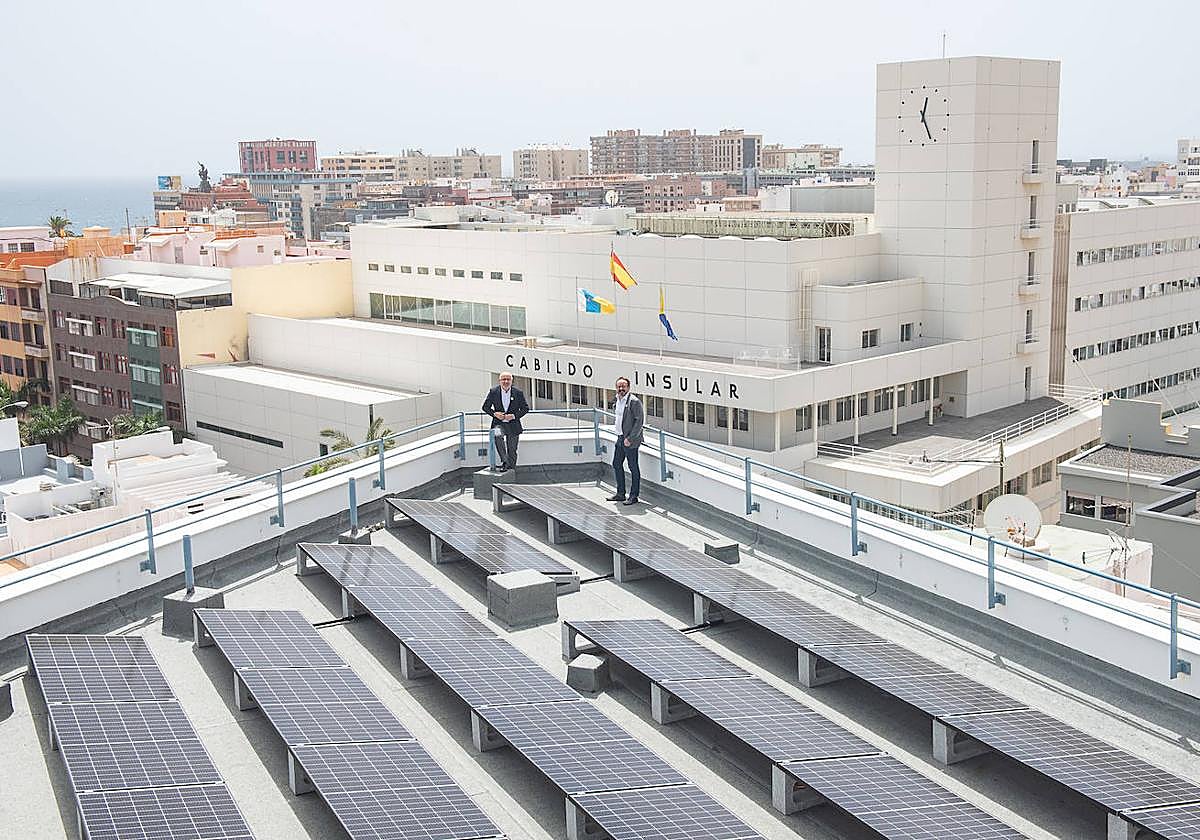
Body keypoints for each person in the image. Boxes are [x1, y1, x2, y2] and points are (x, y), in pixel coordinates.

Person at [607, 376, 644, 505]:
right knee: (616, 464)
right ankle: (620, 493)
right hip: (620, 437)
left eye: (623, 386)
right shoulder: (617, 400)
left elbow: (639, 422)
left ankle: (634, 496)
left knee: (633, 467)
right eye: (619, 386)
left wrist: (630, 438)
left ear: (628, 387)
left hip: (630, 440)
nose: (621, 388)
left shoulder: (634, 401)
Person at [481, 372, 529, 471]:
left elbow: (525, 408)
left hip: (513, 424)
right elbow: (485, 407)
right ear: (499, 381)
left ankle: (511, 469)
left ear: (512, 381)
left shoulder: (518, 393)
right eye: (503, 379)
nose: (506, 381)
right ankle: (505, 462)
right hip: (499, 423)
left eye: (508, 379)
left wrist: (514, 416)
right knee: (497, 435)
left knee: (512, 449)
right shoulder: (493, 392)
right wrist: (495, 414)